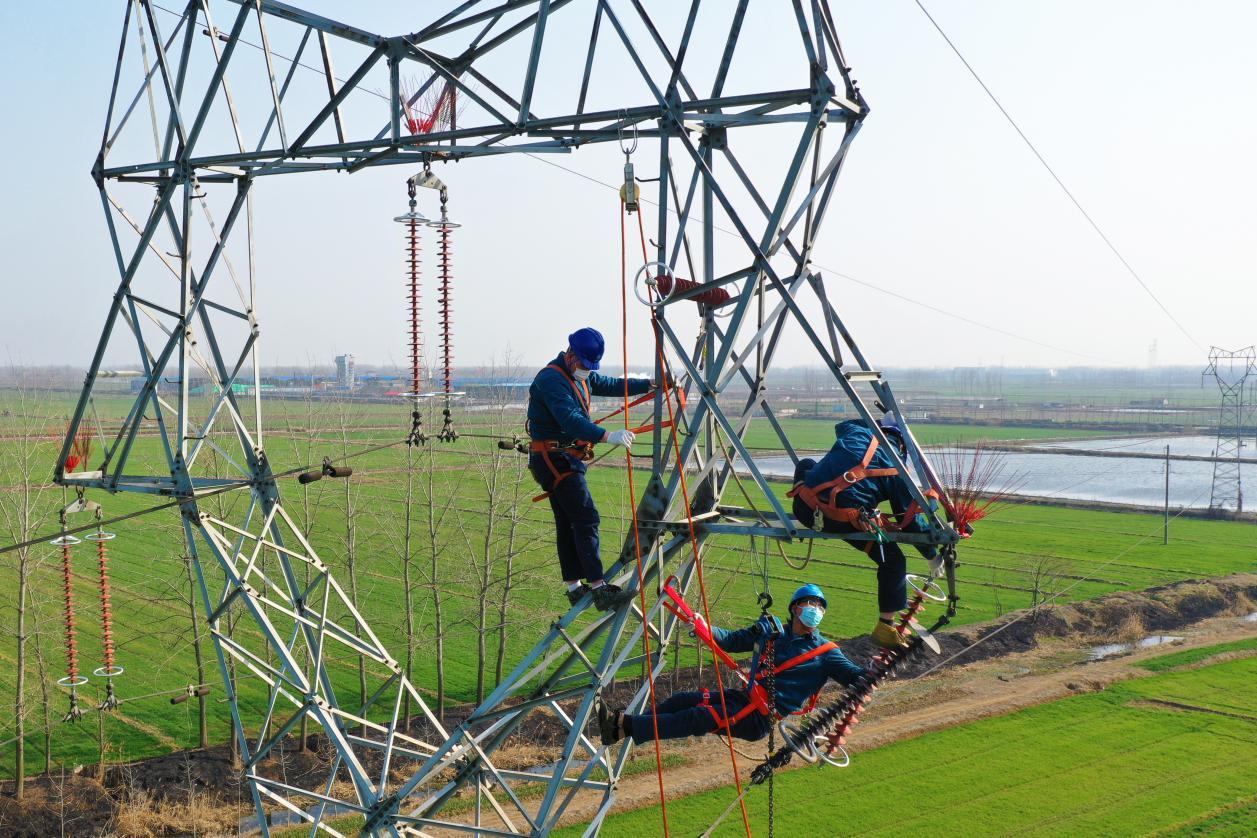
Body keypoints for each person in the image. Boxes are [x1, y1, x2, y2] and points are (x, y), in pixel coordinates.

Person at [598, 584, 866, 745]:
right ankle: (620, 730)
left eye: (820, 606)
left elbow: (856, 678)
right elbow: (731, 640)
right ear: (795, 607)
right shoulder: (772, 631)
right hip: (745, 699)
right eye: (810, 603)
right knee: (683, 700)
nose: (815, 610)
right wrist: (705, 627)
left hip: (759, 717)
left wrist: (877, 670)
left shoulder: (827, 653)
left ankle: (626, 723)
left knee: (699, 718)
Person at [528, 327, 656, 611]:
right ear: (571, 356)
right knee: (586, 517)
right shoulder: (552, 380)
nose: (588, 371)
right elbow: (570, 419)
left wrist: (648, 384)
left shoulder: (578, 375)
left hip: (562, 456)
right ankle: (599, 589)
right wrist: (607, 435)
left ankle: (574, 586)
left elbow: (610, 384)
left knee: (568, 520)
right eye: (586, 366)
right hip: (554, 458)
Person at [788, 415, 942, 649]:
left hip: (805, 508)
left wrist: (875, 420)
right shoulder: (898, 468)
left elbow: (843, 424)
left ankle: (815, 511)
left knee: (807, 464)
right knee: (893, 560)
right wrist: (931, 554)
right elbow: (908, 521)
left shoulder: (855, 431)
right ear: (902, 444)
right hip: (840, 520)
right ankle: (885, 625)